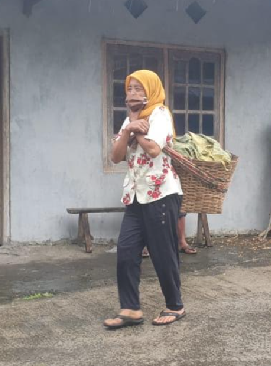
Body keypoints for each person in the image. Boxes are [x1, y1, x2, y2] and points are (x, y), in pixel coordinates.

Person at [103, 70, 187, 329]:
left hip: (161, 193)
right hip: (135, 196)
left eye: (140, 89)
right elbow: (116, 157)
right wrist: (129, 126)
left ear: (151, 91)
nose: (134, 93)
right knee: (126, 251)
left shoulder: (159, 114)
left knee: (163, 253)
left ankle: (175, 305)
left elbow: (153, 149)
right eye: (130, 89)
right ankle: (130, 309)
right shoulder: (127, 121)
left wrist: (137, 130)